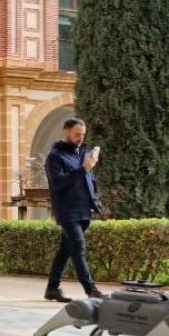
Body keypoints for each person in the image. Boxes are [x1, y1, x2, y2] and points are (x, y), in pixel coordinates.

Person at [44, 118, 105, 302]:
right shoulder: (54, 156)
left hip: (84, 209)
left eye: (83, 135)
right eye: (77, 134)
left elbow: (89, 181)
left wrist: (96, 201)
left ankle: (52, 289)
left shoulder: (83, 154)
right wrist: (83, 169)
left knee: (65, 250)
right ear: (66, 132)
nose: (80, 138)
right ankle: (90, 289)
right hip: (67, 211)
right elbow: (57, 183)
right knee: (78, 247)